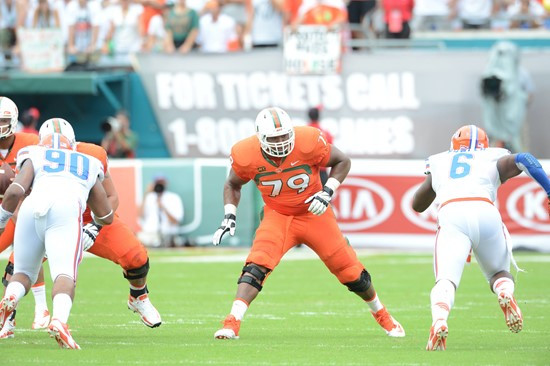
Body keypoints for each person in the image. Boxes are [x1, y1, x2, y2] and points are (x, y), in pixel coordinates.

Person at [212, 107, 405, 339]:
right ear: (260, 138)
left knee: (351, 272)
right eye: (274, 138)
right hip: (278, 215)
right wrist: (229, 214)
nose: (281, 142)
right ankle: (232, 321)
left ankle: (382, 314)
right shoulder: (246, 153)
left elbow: (343, 160)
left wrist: (326, 192)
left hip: (314, 214)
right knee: (256, 266)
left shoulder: (308, 140)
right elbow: (232, 184)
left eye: (284, 135)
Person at [0, 118, 161, 338]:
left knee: (136, 257)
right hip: (52, 217)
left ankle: (138, 297)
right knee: (16, 267)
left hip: (88, 216)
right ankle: (8, 320)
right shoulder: (34, 152)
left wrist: (94, 227)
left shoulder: (90, 155)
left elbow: (111, 197)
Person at [412, 125, 550, 351]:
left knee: (446, 280)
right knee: (498, 273)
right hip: (485, 210)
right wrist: (549, 189)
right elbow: (526, 158)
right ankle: (504, 291)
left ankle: (439, 320)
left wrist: (437, 183)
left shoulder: (439, 160)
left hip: (452, 213)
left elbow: (417, 205)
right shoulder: (492, 156)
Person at [0, 132, 113, 349]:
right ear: (72, 144)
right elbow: (106, 215)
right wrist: (96, 219)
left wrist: (2, 219)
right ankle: (59, 321)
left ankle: (11, 297)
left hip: (31, 206)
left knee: (23, 272)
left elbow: (15, 191)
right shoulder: (88, 162)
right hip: (65, 209)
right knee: (64, 274)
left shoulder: (34, 153)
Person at [481, 41, 534, 153]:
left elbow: (529, 95)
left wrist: (518, 105)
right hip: (495, 121)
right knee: (494, 153)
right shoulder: (489, 75)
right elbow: (486, 98)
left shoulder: (521, 74)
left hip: (516, 122)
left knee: (520, 153)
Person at [138, 175, 184, 247]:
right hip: (150, 234)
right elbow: (139, 215)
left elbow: (175, 221)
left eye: (162, 182)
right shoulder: (148, 197)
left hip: (167, 233)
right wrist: (146, 193)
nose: (160, 185)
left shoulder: (174, 198)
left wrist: (162, 207)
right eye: (158, 182)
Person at [307, 106, 332, 185]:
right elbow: (330, 150)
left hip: (307, 172)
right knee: (324, 195)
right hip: (322, 171)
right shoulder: (325, 133)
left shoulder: (303, 133)